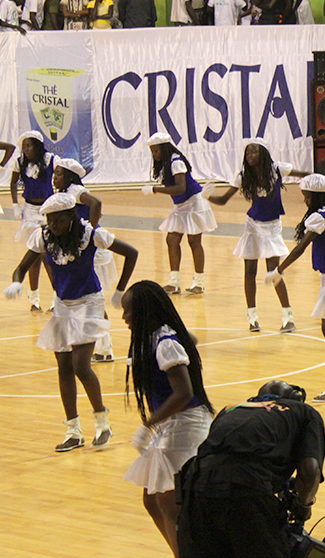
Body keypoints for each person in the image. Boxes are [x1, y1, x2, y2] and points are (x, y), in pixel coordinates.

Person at [5, 193, 138, 451]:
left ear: (71, 217)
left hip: (89, 302)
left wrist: (120, 290)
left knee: (80, 364)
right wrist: (16, 282)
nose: (52, 225)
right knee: (63, 366)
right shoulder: (44, 237)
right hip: (63, 305)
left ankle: (102, 423)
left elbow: (131, 253)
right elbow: (22, 266)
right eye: (49, 220)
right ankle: (73, 431)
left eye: (57, 220)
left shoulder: (91, 235)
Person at [176, 380, 325, 558]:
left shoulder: (230, 409)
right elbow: (310, 470)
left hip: (195, 490)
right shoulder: (304, 411)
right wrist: (303, 506)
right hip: (246, 492)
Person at [121, 281, 214, 558]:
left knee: (171, 506)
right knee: (152, 501)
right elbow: (190, 341)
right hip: (171, 422)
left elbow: (184, 393)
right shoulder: (158, 338)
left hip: (185, 423)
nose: (124, 317)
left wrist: (150, 423)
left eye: (128, 310)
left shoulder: (164, 343)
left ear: (144, 311)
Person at [268, 175, 325, 401]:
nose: (305, 201)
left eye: (307, 197)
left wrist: (279, 270)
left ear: (317, 196)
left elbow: (300, 249)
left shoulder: (320, 217)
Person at [208, 139, 308, 333]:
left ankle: (288, 317)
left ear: (263, 153)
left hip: (272, 227)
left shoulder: (278, 169)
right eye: (247, 153)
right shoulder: (244, 176)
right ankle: (252, 318)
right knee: (249, 272)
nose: (250, 156)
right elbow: (222, 200)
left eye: (253, 152)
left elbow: (304, 175)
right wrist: (206, 196)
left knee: (274, 271)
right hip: (252, 226)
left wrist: (315, 185)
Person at [52, 157, 117, 363]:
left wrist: (91, 229)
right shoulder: (62, 194)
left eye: (59, 174)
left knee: (94, 300)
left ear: (70, 177)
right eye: (54, 173)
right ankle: (102, 347)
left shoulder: (75, 191)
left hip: (90, 251)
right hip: (79, 250)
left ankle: (105, 348)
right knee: (92, 301)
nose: (54, 177)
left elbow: (96, 202)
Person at [142, 133, 217, 296]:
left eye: (156, 151)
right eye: (152, 152)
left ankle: (199, 283)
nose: (154, 155)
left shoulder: (176, 161)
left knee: (194, 241)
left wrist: (154, 189)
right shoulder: (165, 163)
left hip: (195, 203)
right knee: (172, 239)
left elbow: (180, 188)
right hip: (181, 206)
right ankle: (174, 282)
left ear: (164, 148)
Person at [9, 131, 55, 312]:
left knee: (48, 256)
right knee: (34, 255)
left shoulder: (51, 159)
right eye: (24, 146)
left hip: (48, 211)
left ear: (37, 145)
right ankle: (34, 299)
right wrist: (15, 205)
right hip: (29, 211)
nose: (26, 149)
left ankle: (56, 297)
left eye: (29, 145)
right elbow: (13, 183)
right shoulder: (20, 163)